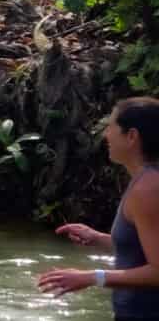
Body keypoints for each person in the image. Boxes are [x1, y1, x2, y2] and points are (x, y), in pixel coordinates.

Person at [39, 97, 159, 318]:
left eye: (111, 127)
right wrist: (99, 239)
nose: (105, 135)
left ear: (131, 136)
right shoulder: (145, 181)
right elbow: (143, 250)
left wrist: (92, 277)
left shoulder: (149, 189)